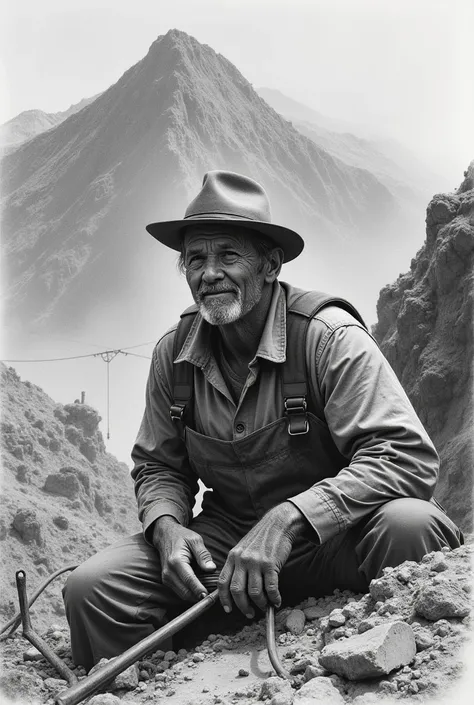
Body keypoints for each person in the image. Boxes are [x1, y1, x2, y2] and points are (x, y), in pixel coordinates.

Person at [63, 170, 462, 671]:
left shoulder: (327, 338)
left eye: (228, 256)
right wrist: (166, 528)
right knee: (91, 588)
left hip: (337, 539)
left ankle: (386, 666)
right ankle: (159, 676)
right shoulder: (173, 355)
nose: (209, 273)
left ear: (270, 264)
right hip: (226, 549)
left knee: (412, 527)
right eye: (195, 259)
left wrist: (290, 517)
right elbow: (159, 466)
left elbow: (404, 456)